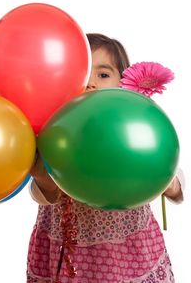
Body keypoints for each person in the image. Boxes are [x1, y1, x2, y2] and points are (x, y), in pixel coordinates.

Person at [26, 33, 184, 283]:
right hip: (71, 252)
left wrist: (168, 183)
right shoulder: (58, 132)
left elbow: (176, 187)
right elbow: (45, 195)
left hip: (129, 253)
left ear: (124, 84)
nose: (90, 84)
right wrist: (39, 171)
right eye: (81, 74)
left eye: (102, 75)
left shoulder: (135, 129)